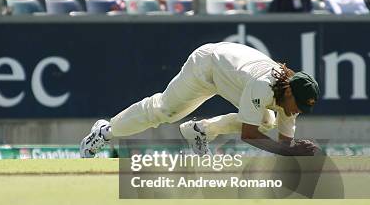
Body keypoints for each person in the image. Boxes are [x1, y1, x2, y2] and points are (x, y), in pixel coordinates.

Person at [80, 42, 320, 158]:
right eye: (297, 106)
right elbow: (249, 135)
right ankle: (104, 132)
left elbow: (285, 143)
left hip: (232, 76)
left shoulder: (291, 98)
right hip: (206, 66)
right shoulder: (263, 86)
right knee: (165, 112)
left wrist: (300, 152)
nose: (296, 111)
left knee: (266, 121)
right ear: (288, 92)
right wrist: (290, 152)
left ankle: (200, 131)